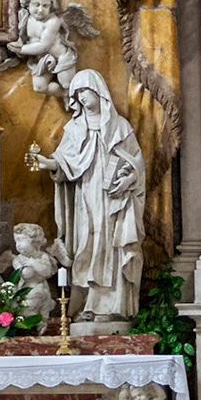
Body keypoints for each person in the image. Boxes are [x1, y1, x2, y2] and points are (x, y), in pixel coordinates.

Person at [28, 70, 143, 324]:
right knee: (86, 247)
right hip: (85, 199)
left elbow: (136, 162)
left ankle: (110, 306)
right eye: (77, 92)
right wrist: (47, 163)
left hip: (114, 201)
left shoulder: (119, 126)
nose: (81, 96)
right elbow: (64, 162)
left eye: (85, 91)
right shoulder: (75, 127)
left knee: (110, 247)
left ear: (98, 91)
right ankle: (87, 304)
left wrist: (128, 179)